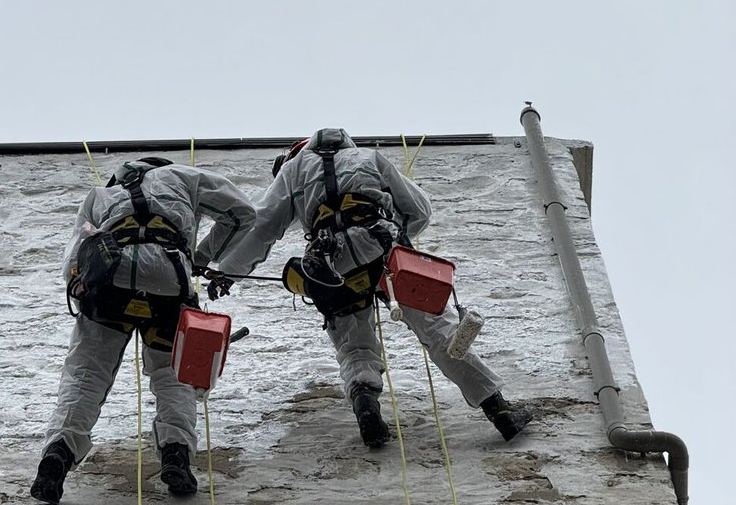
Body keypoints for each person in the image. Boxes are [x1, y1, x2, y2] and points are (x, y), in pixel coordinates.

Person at [213, 128, 532, 448]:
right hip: (382, 253)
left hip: (329, 266)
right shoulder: (369, 158)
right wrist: (398, 240)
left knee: (354, 347)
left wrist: (228, 273)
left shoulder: (293, 170)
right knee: (438, 328)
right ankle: (499, 409)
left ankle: (367, 409)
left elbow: (262, 225)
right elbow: (419, 210)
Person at [31, 157, 256, 504]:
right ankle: (176, 455)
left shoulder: (98, 196)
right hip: (169, 282)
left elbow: (74, 257)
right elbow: (242, 214)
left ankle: (56, 457)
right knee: (173, 376)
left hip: (108, 283)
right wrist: (201, 258)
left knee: (85, 375)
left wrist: (77, 284)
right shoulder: (184, 177)